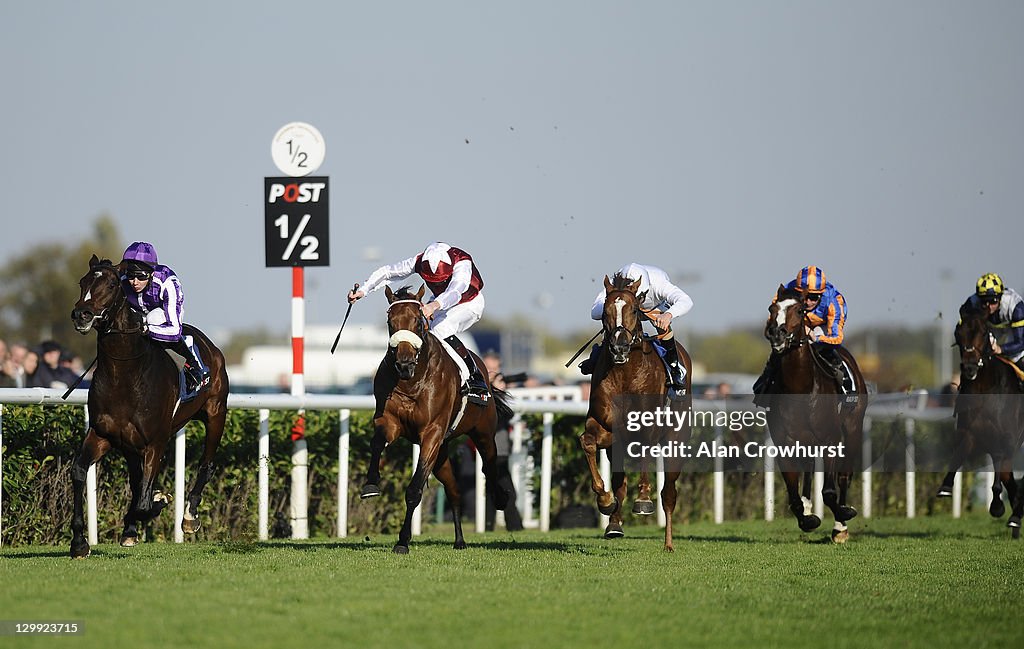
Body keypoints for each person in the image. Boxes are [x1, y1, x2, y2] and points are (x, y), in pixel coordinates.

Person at [348, 241, 490, 404]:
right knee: (419, 330)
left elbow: (456, 291)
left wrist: (433, 306)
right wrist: (363, 291)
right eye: (433, 281)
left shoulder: (462, 262)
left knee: (440, 329)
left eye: (440, 280)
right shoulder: (419, 261)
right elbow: (387, 272)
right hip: (438, 302)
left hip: (468, 302)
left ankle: (475, 377)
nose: (436, 284)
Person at [579, 263, 693, 391]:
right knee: (613, 322)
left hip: (654, 307)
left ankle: (674, 368)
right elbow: (594, 312)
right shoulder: (616, 282)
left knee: (662, 327)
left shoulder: (659, 284)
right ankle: (597, 357)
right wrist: (614, 308)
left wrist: (668, 315)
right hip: (626, 311)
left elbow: (686, 300)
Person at [753, 265, 852, 404]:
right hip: (797, 323)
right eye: (804, 296)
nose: (807, 301)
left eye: (813, 297)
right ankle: (765, 384)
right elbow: (774, 318)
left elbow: (837, 338)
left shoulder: (834, 302)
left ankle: (849, 387)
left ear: (821, 294)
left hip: (821, 326)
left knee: (823, 348)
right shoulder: (787, 291)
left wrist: (814, 336)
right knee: (780, 349)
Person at [121, 241, 209, 394]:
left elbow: (174, 331)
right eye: (130, 275)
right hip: (139, 313)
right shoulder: (122, 281)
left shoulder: (167, 281)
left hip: (164, 314)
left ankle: (194, 363)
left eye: (140, 276)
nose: (134, 282)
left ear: (151, 273)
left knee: (153, 318)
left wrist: (147, 330)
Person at [967, 272, 1024, 372]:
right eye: (984, 302)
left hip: (1012, 330)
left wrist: (1001, 349)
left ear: (1000, 297)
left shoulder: (1015, 306)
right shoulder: (972, 303)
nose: (989, 306)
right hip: (990, 329)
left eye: (993, 301)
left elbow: (1021, 341)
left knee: (1016, 358)